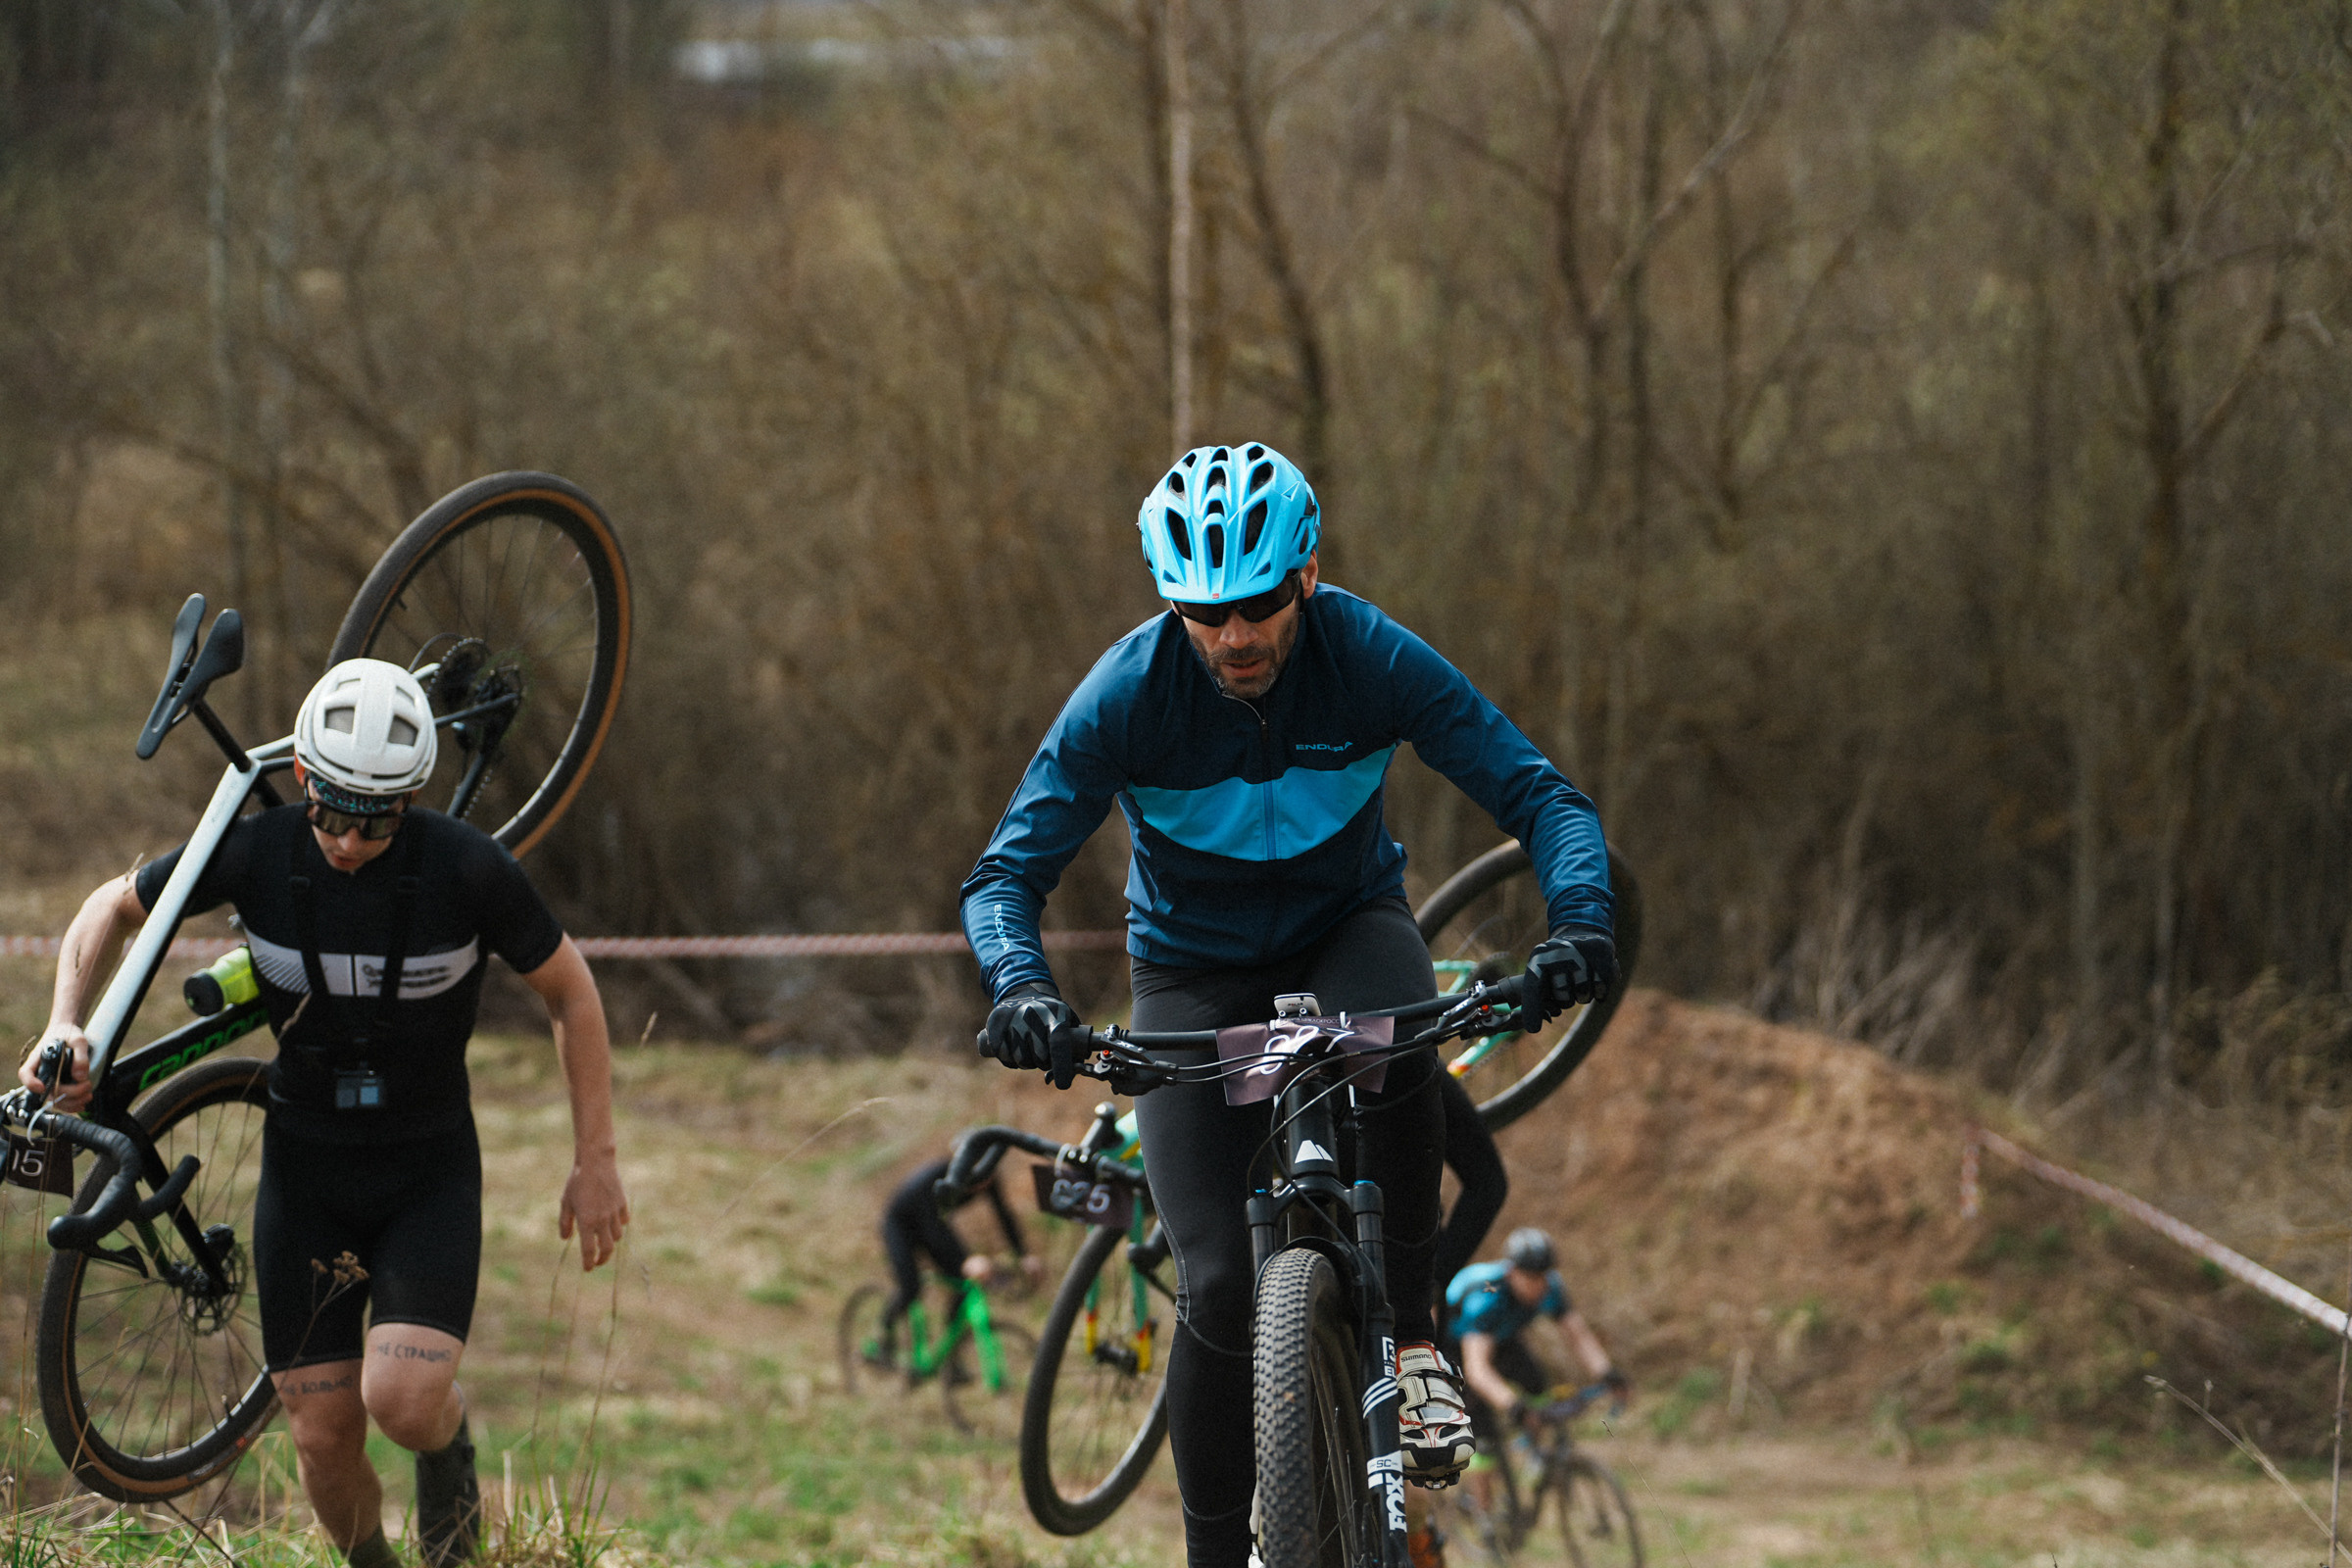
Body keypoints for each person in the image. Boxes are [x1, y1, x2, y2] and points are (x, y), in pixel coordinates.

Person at [959, 442, 1617, 1567]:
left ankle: (1412, 1345)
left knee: (1405, 1044)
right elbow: (1003, 875)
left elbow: (1542, 794)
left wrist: (1582, 923)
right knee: (1214, 1281)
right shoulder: (1127, 694)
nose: (1235, 637)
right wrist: (1021, 985)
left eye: (1259, 606)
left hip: (1345, 924)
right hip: (1189, 969)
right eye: (1204, 613)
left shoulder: (1368, 658)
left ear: (1306, 575)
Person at [20, 659, 630, 1568]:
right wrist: (67, 1020)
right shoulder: (258, 849)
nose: (346, 840)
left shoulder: (470, 870)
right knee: (320, 1434)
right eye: (331, 812)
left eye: (375, 820)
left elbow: (572, 997)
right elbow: (110, 906)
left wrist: (596, 1159)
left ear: (411, 800)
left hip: (425, 1171)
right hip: (306, 1169)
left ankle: (449, 1444)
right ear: (303, 780)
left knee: (406, 1403)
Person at [1446, 1226, 1627, 1517]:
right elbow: (1477, 1369)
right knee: (1484, 1432)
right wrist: (1512, 1405)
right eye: (1531, 1277)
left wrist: (1606, 1373)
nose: (1538, 1285)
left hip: (1503, 1340)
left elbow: (1576, 1335)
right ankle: (1485, 1513)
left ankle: (1534, 1454)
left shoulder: (1550, 1286)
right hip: (1457, 1348)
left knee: (1537, 1384)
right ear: (1512, 1272)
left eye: (1543, 1276)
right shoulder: (1488, 1296)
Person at [872, 1153, 1044, 1363]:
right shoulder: (940, 1179)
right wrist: (965, 1261)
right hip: (901, 1224)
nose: (984, 1184)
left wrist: (1023, 1255)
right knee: (910, 1286)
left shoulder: (986, 1177)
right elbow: (932, 1227)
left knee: (963, 1285)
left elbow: (1003, 1215)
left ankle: (950, 1359)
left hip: (934, 1227)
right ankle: (881, 1339)